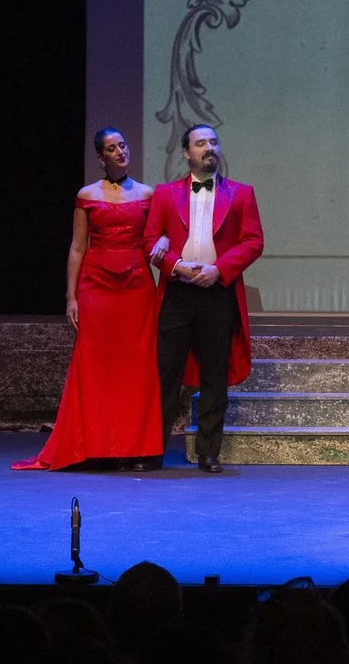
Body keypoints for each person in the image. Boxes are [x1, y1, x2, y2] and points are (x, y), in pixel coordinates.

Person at [18, 127, 164, 470]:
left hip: (136, 288)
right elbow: (78, 246)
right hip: (96, 287)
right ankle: (97, 446)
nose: (120, 152)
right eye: (112, 148)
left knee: (136, 368)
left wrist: (166, 245)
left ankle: (136, 449)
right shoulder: (87, 194)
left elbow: (158, 237)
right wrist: (71, 296)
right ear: (101, 158)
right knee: (96, 365)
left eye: (123, 145)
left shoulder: (147, 193)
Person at [142, 123, 263, 472]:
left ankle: (209, 452)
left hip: (217, 292)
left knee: (214, 375)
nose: (209, 147)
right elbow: (149, 240)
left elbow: (253, 241)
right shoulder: (164, 194)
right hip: (178, 293)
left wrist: (219, 270)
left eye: (213, 141)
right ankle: (153, 450)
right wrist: (176, 266)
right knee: (166, 374)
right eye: (200, 143)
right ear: (186, 153)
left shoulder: (241, 193)